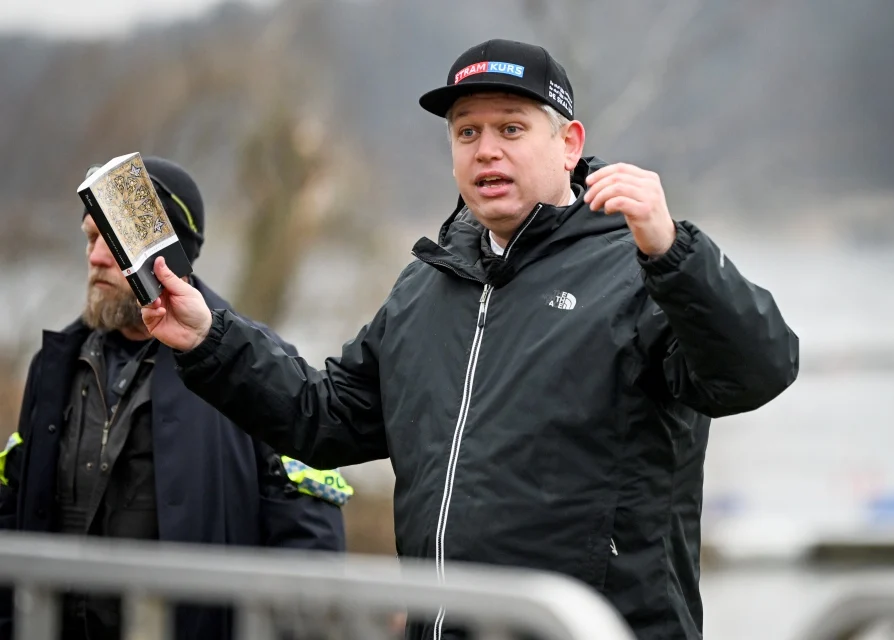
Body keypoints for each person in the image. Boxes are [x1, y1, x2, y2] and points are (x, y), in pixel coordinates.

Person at [140, 39, 799, 640]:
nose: (486, 150)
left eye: (511, 128)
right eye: (466, 132)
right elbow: (323, 417)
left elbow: (757, 371)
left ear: (569, 144)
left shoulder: (641, 268)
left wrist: (673, 250)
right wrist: (209, 337)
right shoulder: (426, 286)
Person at [0, 156, 352, 640]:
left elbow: (309, 550)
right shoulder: (53, 365)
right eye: (89, 238)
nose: (95, 258)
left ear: (165, 256)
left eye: (111, 240)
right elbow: (12, 508)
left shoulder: (250, 366)